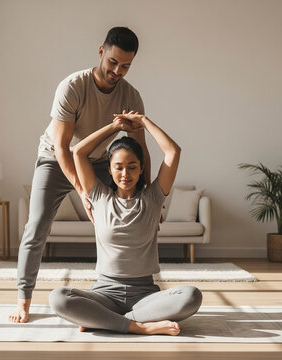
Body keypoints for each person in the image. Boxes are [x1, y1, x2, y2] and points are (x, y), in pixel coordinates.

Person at [9, 27, 151, 323]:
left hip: (99, 160)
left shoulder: (131, 96)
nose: (117, 71)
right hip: (54, 158)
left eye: (125, 66)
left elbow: (140, 149)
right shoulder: (73, 86)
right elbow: (63, 148)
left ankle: (110, 292)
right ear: (101, 51)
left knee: (114, 219)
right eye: (113, 62)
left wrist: (148, 196)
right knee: (36, 227)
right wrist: (84, 193)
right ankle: (23, 300)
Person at [48, 112, 203, 335]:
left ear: (141, 169)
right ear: (110, 169)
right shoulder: (99, 197)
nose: (125, 173)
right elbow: (79, 152)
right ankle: (139, 327)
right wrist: (114, 127)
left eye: (132, 167)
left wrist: (144, 122)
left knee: (191, 296)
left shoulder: (153, 197)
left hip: (145, 296)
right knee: (58, 298)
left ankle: (106, 321)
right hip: (104, 294)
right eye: (118, 167)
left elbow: (173, 151)